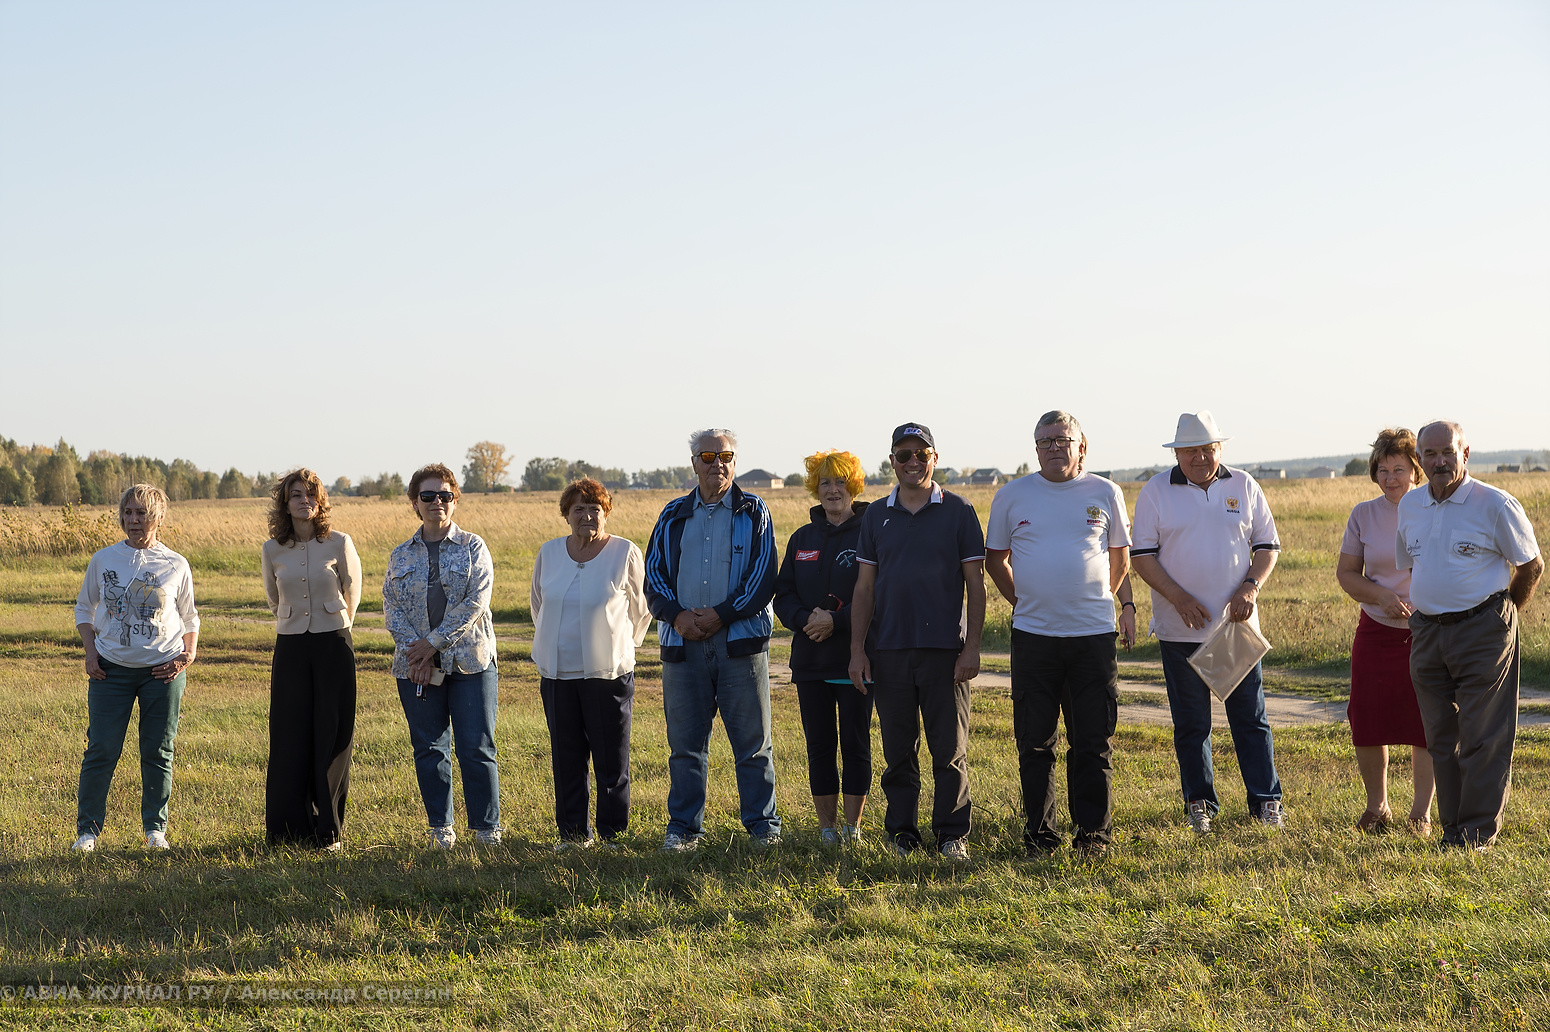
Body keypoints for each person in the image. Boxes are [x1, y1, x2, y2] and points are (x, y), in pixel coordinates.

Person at [986, 411, 1134, 857]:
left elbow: (1120, 558)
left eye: (1062, 440)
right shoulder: (1011, 496)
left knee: (1093, 741)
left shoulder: (1106, 492)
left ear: (1081, 447)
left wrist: (1098, 600)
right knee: (1035, 743)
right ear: (1035, 449)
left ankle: (1093, 836)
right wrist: (1024, 601)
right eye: (1045, 441)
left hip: (1093, 637)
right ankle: (1041, 838)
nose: (1053, 448)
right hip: (1034, 637)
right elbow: (995, 560)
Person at [1131, 411, 1284, 833]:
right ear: (1176, 453)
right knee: (1192, 724)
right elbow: (1142, 557)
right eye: (1190, 451)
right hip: (1179, 628)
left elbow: (1267, 547)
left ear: (1219, 449)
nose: (1199, 457)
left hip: (1235, 629)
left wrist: (1250, 587)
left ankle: (1266, 802)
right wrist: (1179, 599)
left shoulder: (1244, 485)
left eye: (1207, 449)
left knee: (1250, 719)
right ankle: (1199, 804)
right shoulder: (1156, 491)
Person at [1397, 421, 1542, 849]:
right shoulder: (1410, 505)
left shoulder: (1495, 504)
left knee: (1483, 736)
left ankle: (1476, 833)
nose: (1440, 461)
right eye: (1430, 454)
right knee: (1440, 737)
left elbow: (1531, 566)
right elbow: (1415, 565)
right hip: (1427, 632)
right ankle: (1452, 829)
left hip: (1483, 630)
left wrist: (1502, 617)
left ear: (1465, 454)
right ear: (1419, 460)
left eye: (1448, 452)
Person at [848, 422, 986, 862]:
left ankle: (951, 835)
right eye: (904, 455)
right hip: (889, 651)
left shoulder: (959, 510)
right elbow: (864, 589)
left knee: (949, 750)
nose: (913, 462)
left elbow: (976, 585)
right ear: (892, 461)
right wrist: (857, 651)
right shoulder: (876, 515)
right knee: (897, 751)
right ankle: (902, 835)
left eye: (921, 454)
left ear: (935, 458)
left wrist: (972, 648)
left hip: (946, 652)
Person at [644, 428, 781, 851]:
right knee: (685, 747)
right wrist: (678, 616)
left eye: (725, 456)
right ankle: (683, 829)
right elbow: (653, 576)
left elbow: (763, 577)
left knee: (753, 745)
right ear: (694, 463)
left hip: (740, 645)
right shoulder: (672, 514)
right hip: (682, 644)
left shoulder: (754, 510)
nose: (717, 464)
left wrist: (721, 615)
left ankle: (763, 828)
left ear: (735, 463)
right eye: (708, 457)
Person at [71, 484, 199, 851]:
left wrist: (187, 655)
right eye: (128, 513)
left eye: (141, 513)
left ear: (158, 517)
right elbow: (84, 609)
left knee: (158, 751)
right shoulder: (104, 560)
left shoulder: (176, 564)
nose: (133, 520)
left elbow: (190, 617)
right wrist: (90, 653)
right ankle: (87, 833)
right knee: (101, 749)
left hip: (164, 672)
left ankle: (155, 831)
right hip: (110, 672)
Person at [382, 463, 502, 849]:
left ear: (455, 500)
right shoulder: (400, 555)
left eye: (445, 495)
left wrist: (432, 643)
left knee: (475, 747)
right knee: (429, 748)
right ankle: (440, 828)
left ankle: (486, 829)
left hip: (470, 663)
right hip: (416, 668)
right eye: (428, 495)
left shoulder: (474, 547)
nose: (438, 501)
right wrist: (417, 654)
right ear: (414, 503)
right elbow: (391, 608)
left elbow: (476, 602)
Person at [530, 478, 651, 849]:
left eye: (594, 509)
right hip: (558, 674)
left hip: (608, 674)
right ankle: (572, 834)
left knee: (611, 758)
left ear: (606, 513)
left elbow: (641, 609)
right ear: (566, 515)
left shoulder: (624, 552)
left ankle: (613, 835)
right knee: (566, 757)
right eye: (578, 509)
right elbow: (538, 605)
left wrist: (621, 648)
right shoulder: (549, 553)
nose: (586, 516)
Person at [1335, 429, 1435, 835]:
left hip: (1428, 631)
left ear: (1416, 471)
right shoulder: (1362, 514)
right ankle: (1377, 807)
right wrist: (1380, 597)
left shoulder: (1434, 509)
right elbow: (1346, 574)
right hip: (1375, 630)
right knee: (1367, 718)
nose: (1390, 477)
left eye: (1399, 469)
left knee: (1425, 722)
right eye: (1382, 469)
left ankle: (1420, 813)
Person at [773, 449, 875, 846]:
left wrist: (837, 620)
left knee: (855, 743)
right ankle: (827, 830)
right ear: (815, 488)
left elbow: (877, 592)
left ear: (854, 486)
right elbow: (783, 595)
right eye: (825, 482)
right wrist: (805, 620)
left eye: (840, 482)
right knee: (819, 746)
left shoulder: (870, 531)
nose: (833, 490)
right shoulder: (802, 538)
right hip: (810, 660)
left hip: (854, 659)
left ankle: (852, 829)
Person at [261, 468, 362, 851]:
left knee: (332, 733)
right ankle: (289, 831)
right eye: (296, 495)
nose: (304, 501)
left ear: (320, 501)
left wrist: (334, 622)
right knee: (289, 735)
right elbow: (274, 599)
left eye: (310, 494)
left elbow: (352, 592)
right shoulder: (272, 549)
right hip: (291, 647)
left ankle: (329, 830)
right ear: (285, 504)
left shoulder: (339, 542)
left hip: (333, 644)